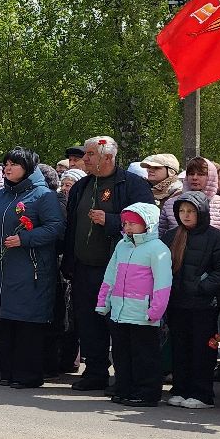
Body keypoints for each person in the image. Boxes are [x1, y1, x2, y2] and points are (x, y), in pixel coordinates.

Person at [62, 137, 148, 392]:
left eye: (90, 154)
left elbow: (146, 222)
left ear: (108, 157)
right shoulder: (81, 186)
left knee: (118, 325)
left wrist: (111, 221)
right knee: (88, 322)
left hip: (119, 270)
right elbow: (71, 228)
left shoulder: (133, 185)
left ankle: (123, 378)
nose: (84, 158)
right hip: (84, 268)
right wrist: (69, 262)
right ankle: (95, 372)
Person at [0, 148, 65, 390]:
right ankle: (9, 370)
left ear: (28, 168)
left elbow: (55, 228)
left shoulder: (43, 195)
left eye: (14, 164)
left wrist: (26, 239)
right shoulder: (0, 195)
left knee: (27, 322)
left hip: (31, 267)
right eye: (6, 164)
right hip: (4, 266)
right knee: (6, 320)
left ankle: (29, 374)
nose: (8, 168)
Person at [162, 191, 220, 410]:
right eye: (182, 211)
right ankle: (180, 389)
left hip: (204, 305)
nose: (185, 215)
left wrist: (202, 287)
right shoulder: (172, 236)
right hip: (177, 303)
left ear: (201, 212)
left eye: (191, 211)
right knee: (180, 348)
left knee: (202, 349)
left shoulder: (216, 237)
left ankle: (202, 393)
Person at [94, 202, 171, 407]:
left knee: (144, 356)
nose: (127, 227)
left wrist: (156, 310)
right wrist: (104, 301)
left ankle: (146, 392)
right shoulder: (122, 245)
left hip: (143, 313)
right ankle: (124, 388)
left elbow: (163, 283)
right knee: (121, 354)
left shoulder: (157, 249)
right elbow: (110, 275)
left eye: (133, 224)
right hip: (120, 310)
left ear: (148, 224)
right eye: (125, 223)